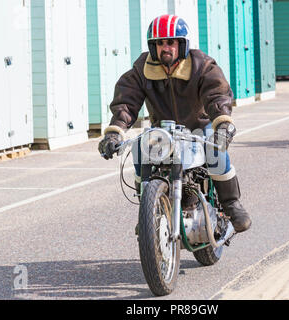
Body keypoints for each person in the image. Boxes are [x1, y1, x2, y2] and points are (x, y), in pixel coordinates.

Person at [98, 14, 251, 233]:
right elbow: (126, 102)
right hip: (163, 130)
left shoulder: (202, 66)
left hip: (199, 125)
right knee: (141, 150)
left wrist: (223, 124)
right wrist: (114, 133)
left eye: (171, 42)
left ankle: (231, 204)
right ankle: (149, 211)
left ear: (182, 44)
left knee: (215, 150)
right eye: (160, 43)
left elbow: (217, 95)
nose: (165, 47)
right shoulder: (142, 69)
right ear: (153, 47)